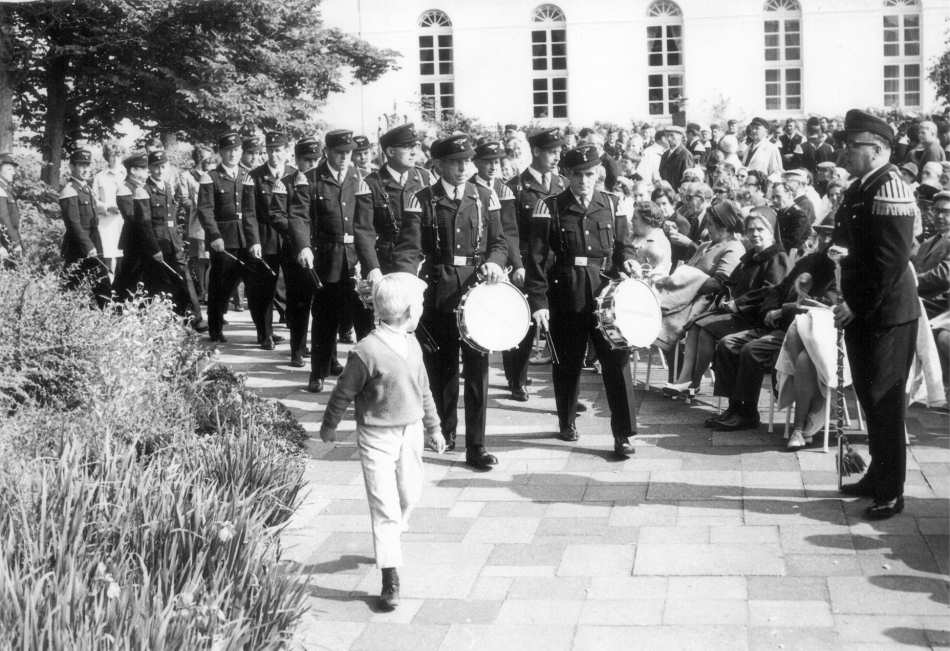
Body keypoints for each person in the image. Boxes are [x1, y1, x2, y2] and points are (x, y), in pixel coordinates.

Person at [319, 272, 445, 612]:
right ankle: (390, 575)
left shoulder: (413, 345)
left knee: (409, 492)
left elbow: (424, 390)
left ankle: (394, 531)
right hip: (376, 435)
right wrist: (329, 426)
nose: (420, 310)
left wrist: (434, 428)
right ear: (406, 312)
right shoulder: (366, 351)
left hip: (411, 431)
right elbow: (343, 391)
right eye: (417, 305)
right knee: (384, 506)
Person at [391, 133, 508, 470]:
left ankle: (477, 446)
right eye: (455, 162)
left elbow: (499, 242)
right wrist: (407, 288)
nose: (462, 168)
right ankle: (444, 431)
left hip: (476, 294)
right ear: (439, 164)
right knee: (441, 370)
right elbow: (409, 248)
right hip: (439, 291)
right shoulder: (421, 199)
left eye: (466, 162)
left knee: (477, 372)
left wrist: (495, 263)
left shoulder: (485, 197)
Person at [525, 144, 640, 457]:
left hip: (606, 295)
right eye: (577, 174)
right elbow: (536, 260)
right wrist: (539, 303)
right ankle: (566, 420)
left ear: (598, 173)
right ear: (566, 174)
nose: (583, 181)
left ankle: (624, 435)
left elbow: (623, 246)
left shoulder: (613, 204)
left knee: (617, 362)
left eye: (589, 174)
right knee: (568, 363)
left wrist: (628, 260)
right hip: (567, 293)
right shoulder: (549, 207)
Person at [833, 109, 920, 520]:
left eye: (853, 146)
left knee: (885, 403)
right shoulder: (859, 188)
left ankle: (891, 489)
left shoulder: (891, 187)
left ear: (878, 149)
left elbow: (888, 262)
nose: (846, 152)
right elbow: (842, 243)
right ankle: (876, 473)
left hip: (886, 314)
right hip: (864, 312)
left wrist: (855, 304)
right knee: (869, 398)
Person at [714, 223, 837, 441]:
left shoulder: (837, 270)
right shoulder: (808, 261)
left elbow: (826, 306)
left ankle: (748, 412)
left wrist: (784, 310)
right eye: (822, 235)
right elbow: (778, 288)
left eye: (830, 235)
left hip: (803, 333)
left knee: (752, 350)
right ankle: (735, 407)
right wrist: (771, 308)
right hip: (779, 325)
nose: (825, 240)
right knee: (726, 343)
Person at [288, 129, 377, 392]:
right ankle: (318, 373)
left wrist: (371, 264)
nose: (343, 158)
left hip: (356, 258)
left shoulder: (360, 178)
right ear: (326, 152)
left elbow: (366, 225)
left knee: (363, 320)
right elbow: (299, 216)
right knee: (325, 318)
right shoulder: (312, 179)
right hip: (327, 258)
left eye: (347, 153)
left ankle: (368, 377)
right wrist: (303, 246)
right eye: (338, 153)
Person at [668, 207, 788, 398]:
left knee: (707, 329)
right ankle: (686, 380)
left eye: (760, 230)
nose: (755, 234)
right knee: (696, 325)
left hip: (756, 316)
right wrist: (727, 296)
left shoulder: (776, 257)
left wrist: (738, 303)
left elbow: (770, 291)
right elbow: (732, 281)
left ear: (771, 232)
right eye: (751, 230)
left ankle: (693, 382)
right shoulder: (750, 256)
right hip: (739, 311)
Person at [503, 128, 566, 392]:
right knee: (524, 323)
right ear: (537, 151)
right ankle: (517, 379)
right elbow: (509, 231)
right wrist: (517, 265)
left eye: (559, 152)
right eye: (552, 152)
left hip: (557, 265)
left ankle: (564, 392)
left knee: (560, 325)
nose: (556, 157)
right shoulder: (515, 187)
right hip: (528, 263)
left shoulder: (562, 184)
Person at [196, 132, 257, 343]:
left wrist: (254, 239)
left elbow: (252, 210)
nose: (233, 154)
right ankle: (215, 327)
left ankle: (263, 331)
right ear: (221, 152)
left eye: (237, 150)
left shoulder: (248, 175)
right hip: (222, 239)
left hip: (245, 237)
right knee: (220, 285)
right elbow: (205, 210)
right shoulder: (210, 177)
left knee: (252, 283)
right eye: (228, 150)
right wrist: (214, 236)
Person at [245, 131, 293, 350]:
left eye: (279, 149)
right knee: (264, 288)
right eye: (271, 150)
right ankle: (265, 334)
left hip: (290, 238)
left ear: (286, 151)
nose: (274, 154)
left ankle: (298, 336)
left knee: (293, 287)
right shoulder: (254, 176)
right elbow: (249, 213)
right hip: (265, 238)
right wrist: (254, 240)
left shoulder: (295, 175)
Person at [365, 124, 432, 275]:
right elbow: (365, 231)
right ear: (390, 151)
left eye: (415, 146)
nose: (414, 152)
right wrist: (372, 268)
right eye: (408, 147)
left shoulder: (424, 178)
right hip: (388, 265)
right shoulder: (372, 183)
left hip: (424, 264)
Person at [280, 137, 322, 367]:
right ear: (296, 160)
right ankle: (297, 349)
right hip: (296, 251)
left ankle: (324, 353)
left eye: (316, 159)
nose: (313, 164)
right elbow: (278, 215)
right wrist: (299, 238)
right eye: (308, 160)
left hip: (321, 249)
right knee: (299, 303)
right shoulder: (285, 183)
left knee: (323, 305)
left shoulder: (323, 182)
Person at [59, 148, 111, 306]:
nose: (85, 169)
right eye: (81, 165)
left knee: (102, 281)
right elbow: (73, 223)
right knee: (71, 285)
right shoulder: (69, 190)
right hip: (78, 246)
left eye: (87, 165)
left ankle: (108, 316)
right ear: (72, 167)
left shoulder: (86, 188)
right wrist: (88, 246)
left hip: (93, 241)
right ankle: (60, 319)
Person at [91, 141, 126, 273]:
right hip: (106, 223)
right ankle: (108, 288)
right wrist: (106, 207)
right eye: (112, 155)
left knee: (124, 255)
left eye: (118, 155)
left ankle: (123, 289)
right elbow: (93, 200)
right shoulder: (99, 177)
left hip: (124, 221)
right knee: (107, 255)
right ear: (107, 157)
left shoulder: (128, 175)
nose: (115, 158)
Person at [629, 200, 672, 278]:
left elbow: (655, 277)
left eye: (635, 218)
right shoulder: (636, 235)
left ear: (647, 221)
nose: (631, 220)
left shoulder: (659, 242)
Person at [770, 179, 811, 258]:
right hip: (779, 253)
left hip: (792, 257)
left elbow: (791, 242)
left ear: (789, 195)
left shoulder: (798, 215)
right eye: (773, 197)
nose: (774, 200)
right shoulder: (780, 213)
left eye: (778, 197)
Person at [0, 152, 21, 264]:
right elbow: (4, 220)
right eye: (9, 169)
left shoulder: (6, 189)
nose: (13, 172)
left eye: (13, 169)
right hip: (5, 244)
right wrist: (15, 243)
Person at [659, 126, 694, 190]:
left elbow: (687, 180)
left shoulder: (685, 155)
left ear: (680, 136)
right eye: (667, 136)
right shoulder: (665, 154)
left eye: (672, 135)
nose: (669, 138)